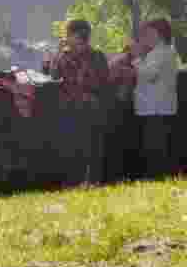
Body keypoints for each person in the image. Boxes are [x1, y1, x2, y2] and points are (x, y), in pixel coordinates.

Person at [42, 19, 111, 184]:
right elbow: (53, 76)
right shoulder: (64, 56)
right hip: (72, 108)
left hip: (87, 107)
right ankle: (77, 183)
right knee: (74, 148)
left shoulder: (96, 56)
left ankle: (92, 182)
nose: (65, 37)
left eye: (68, 34)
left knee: (91, 148)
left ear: (77, 36)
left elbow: (101, 81)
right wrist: (55, 57)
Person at [126, 18, 179, 178]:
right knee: (153, 147)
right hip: (153, 108)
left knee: (155, 148)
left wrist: (136, 58)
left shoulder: (162, 52)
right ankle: (156, 177)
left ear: (158, 34)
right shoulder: (158, 52)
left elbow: (149, 75)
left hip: (157, 109)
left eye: (148, 33)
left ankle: (157, 178)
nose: (144, 37)